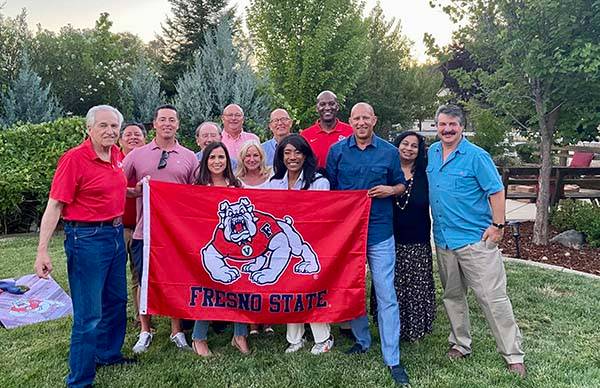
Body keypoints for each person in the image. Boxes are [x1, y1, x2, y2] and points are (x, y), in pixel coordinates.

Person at [34, 105, 134, 388]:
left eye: (114, 126)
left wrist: (135, 192)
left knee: (116, 301)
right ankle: (80, 379)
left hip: (114, 235)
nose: (110, 131)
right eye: (103, 126)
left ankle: (108, 354)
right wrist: (42, 249)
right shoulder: (74, 159)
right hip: (86, 239)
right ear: (88, 129)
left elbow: (107, 187)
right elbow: (55, 205)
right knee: (89, 314)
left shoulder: (116, 155)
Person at [427, 104, 525, 377]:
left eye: (453, 125)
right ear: (437, 127)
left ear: (462, 127)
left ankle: (513, 353)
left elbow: (496, 191)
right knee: (453, 296)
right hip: (444, 241)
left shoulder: (476, 156)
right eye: (443, 124)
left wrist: (498, 226)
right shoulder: (432, 154)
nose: (447, 129)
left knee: (493, 299)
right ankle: (460, 343)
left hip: (475, 241)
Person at [326, 102, 409, 386]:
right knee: (354, 288)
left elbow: (401, 185)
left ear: (374, 119)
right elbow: (332, 191)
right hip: (349, 235)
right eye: (356, 118)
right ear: (350, 121)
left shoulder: (389, 152)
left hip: (380, 232)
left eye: (366, 118)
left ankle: (393, 358)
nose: (361, 122)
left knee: (386, 294)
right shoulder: (337, 151)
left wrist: (391, 190)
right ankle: (362, 340)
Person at [123, 104, 199, 354]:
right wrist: (135, 191)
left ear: (178, 124)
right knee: (144, 280)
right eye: (162, 119)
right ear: (154, 124)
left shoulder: (188, 156)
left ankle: (177, 331)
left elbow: (196, 193)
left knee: (175, 280)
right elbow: (116, 184)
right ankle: (145, 330)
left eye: (172, 120)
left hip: (175, 234)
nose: (167, 123)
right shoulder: (137, 155)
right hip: (144, 231)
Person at [267, 134, 334, 354]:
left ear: (305, 155)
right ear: (281, 156)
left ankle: (323, 338)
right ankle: (295, 338)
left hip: (311, 243)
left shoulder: (318, 181)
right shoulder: (274, 182)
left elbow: (321, 216)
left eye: (297, 152)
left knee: (311, 288)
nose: (292, 157)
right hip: (283, 246)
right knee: (289, 289)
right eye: (287, 152)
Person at [191, 141, 250, 356]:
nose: (217, 161)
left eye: (221, 157)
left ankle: (240, 334)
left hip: (236, 247)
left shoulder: (237, 187)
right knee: (207, 289)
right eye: (212, 157)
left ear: (228, 161)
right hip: (207, 246)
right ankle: (199, 337)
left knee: (240, 287)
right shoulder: (197, 188)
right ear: (206, 161)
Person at [391, 131, 436, 342]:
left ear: (419, 151)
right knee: (394, 284)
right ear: (397, 145)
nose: (408, 148)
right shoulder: (388, 170)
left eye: (414, 146)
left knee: (416, 284)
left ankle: (416, 328)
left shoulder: (426, 172)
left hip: (418, 236)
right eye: (404, 143)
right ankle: (393, 327)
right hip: (390, 237)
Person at [119, 122, 147, 325]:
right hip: (118, 227)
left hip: (140, 228)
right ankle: (115, 316)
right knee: (115, 274)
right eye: (128, 134)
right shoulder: (113, 161)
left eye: (137, 134)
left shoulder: (147, 162)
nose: (133, 138)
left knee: (138, 273)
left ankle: (140, 317)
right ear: (120, 140)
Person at [301, 90, 352, 168]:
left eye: (331, 104)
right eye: (322, 104)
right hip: (315, 179)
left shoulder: (351, 132)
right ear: (316, 108)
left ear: (337, 107)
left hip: (344, 179)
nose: (327, 108)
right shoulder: (305, 135)